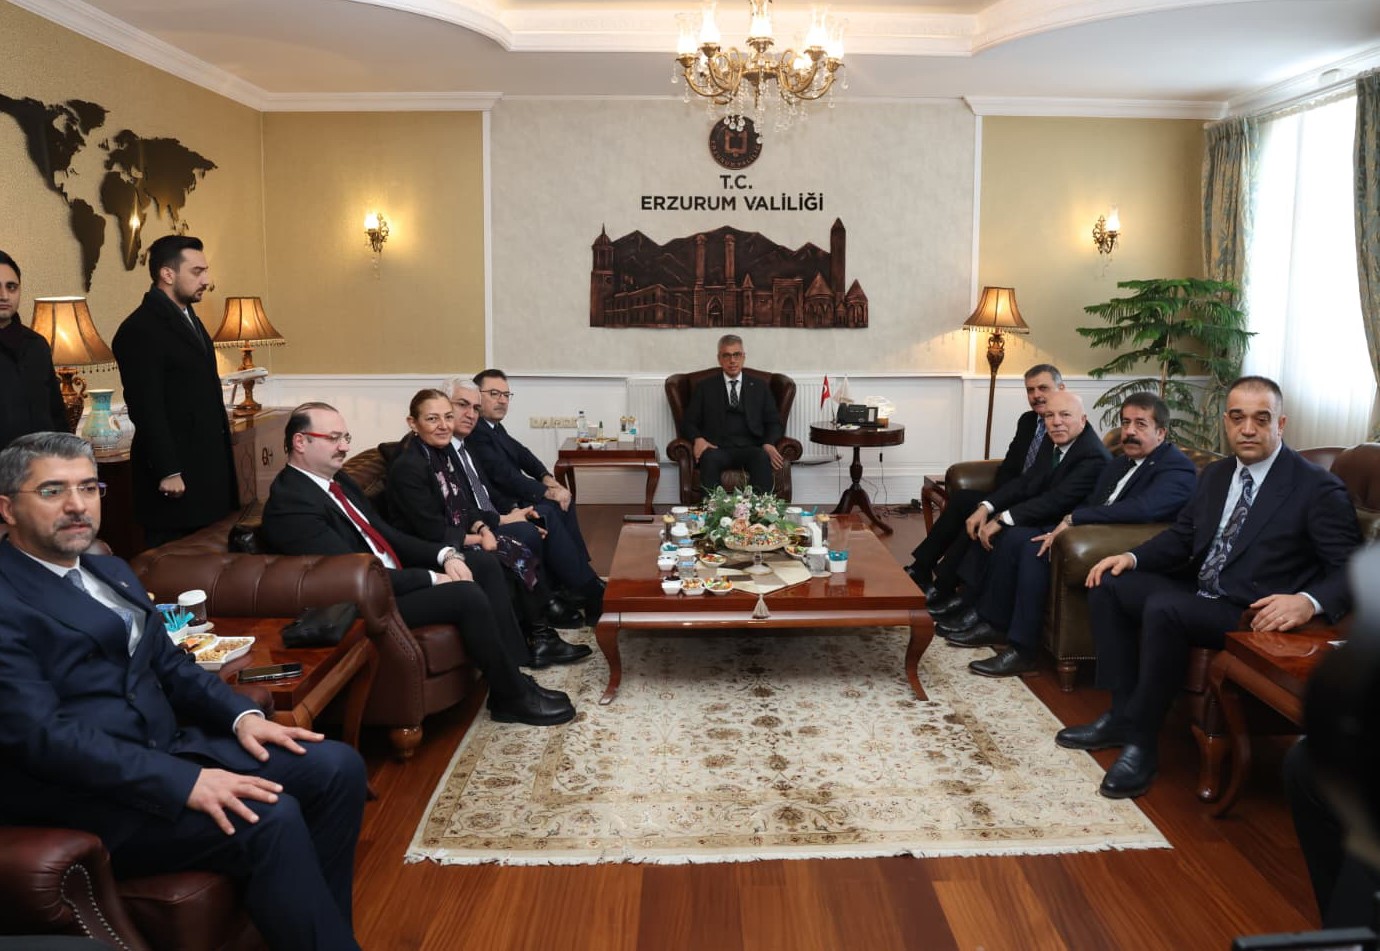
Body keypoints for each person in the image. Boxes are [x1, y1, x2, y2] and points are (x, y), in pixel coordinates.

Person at [0, 432, 365, 950]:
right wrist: (182, 781)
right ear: (7, 508)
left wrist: (243, 718)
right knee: (269, 815)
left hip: (167, 749)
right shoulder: (8, 596)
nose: (77, 505)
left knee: (336, 767)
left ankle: (325, 935)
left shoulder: (110, 569)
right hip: (90, 795)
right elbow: (43, 737)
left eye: (89, 487)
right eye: (53, 490)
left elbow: (170, 665)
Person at [1067, 376, 1362, 799]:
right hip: (1200, 591)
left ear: (1280, 424)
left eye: (1261, 419)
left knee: (1166, 608)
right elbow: (1183, 536)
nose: (1248, 429)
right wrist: (1131, 558)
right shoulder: (1217, 474)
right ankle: (1120, 716)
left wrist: (1307, 601)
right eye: (1238, 418)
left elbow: (1351, 568)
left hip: (1247, 611)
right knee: (1109, 583)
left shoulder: (1316, 487)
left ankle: (1142, 744)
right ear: (1226, 422)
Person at [258, 401, 574, 727]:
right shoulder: (291, 503)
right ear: (300, 441)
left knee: (483, 564)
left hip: (388, 577)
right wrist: (431, 578)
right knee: (465, 595)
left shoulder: (338, 481)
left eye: (346, 437)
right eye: (334, 438)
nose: (344, 447)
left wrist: (444, 555)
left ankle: (513, 677)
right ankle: (512, 698)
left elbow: (386, 534)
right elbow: (350, 577)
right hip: (366, 600)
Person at [962, 393, 1196, 677]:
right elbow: (1092, 503)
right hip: (1089, 533)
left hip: (1123, 546)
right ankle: (996, 624)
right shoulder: (1121, 463)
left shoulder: (1177, 467)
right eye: (1126, 423)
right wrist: (1061, 527)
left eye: (1140, 424)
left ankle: (1023, 652)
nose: (1130, 431)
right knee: (1021, 538)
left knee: (1033, 550)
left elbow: (1144, 508)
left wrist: (1073, 521)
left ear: (1161, 432)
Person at [386, 388, 591, 668]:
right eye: (433, 419)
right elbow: (431, 530)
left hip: (458, 534)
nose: (444, 425)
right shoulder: (408, 466)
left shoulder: (440, 454)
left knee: (517, 543)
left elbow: (464, 505)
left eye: (448, 417)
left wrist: (483, 528)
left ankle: (541, 634)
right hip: (433, 548)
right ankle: (536, 639)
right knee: (510, 550)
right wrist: (481, 539)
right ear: (413, 423)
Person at [928, 389, 1110, 633]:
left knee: (1006, 532)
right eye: (1049, 416)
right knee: (987, 523)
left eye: (1065, 415)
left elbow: (1056, 501)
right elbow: (1027, 481)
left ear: (1083, 419)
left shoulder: (1093, 456)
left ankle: (984, 615)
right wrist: (987, 506)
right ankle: (968, 600)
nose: (1056, 422)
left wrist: (1003, 518)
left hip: (1067, 525)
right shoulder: (1054, 440)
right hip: (1044, 513)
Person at [111, 235, 237, 546]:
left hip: (207, 473)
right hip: (175, 481)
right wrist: (168, 470)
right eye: (197, 272)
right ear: (167, 274)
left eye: (205, 271)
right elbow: (146, 407)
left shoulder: (190, 318)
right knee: (175, 564)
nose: (206, 280)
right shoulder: (139, 329)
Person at [448, 377, 605, 623]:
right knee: (545, 514)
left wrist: (546, 479)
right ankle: (584, 588)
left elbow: (520, 457)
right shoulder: (469, 436)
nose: (502, 400)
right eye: (494, 394)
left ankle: (578, 580)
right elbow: (501, 477)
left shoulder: (485, 431)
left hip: (500, 506)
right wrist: (513, 511)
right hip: (490, 515)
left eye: (506, 395)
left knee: (553, 506)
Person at [906, 364, 1065, 595]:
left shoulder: (1064, 428)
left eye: (1043, 388)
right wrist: (997, 498)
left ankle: (943, 585)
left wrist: (999, 505)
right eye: (1030, 390)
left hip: (1034, 505)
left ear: (1061, 388)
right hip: (1011, 494)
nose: (1036, 395)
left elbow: (1047, 483)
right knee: (963, 500)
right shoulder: (1028, 421)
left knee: (982, 514)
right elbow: (1010, 465)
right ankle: (921, 567)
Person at [679, 334, 785, 498]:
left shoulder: (760, 387)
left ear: (743, 357)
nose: (732, 360)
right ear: (719, 359)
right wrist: (698, 439)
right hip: (717, 448)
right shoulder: (705, 387)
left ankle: (760, 510)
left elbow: (773, 422)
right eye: (726, 355)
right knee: (709, 458)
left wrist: (769, 442)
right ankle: (713, 509)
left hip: (751, 447)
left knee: (761, 457)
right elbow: (688, 422)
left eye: (736, 355)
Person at [0, 251, 66, 449]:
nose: (4, 296)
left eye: (11, 287)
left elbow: (57, 414)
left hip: (43, 460)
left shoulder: (37, 345)